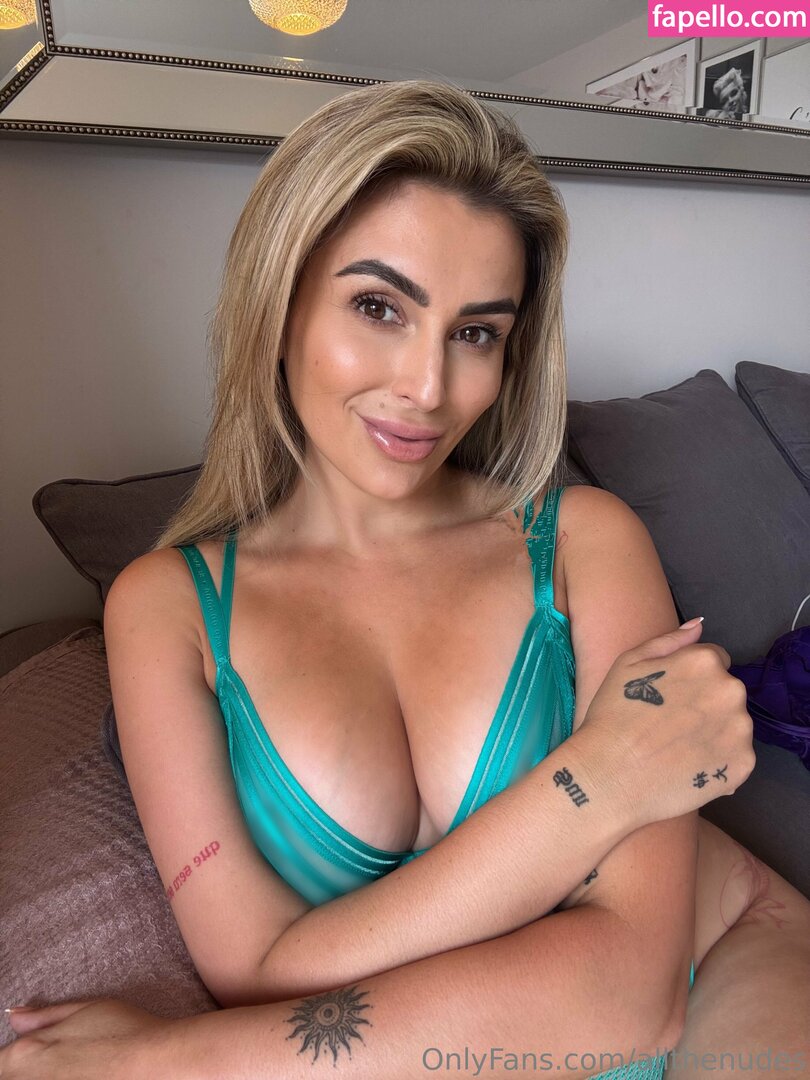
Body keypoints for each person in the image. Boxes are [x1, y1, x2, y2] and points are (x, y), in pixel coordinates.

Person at [4, 78, 809, 1080]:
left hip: (734, 958)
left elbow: (632, 1001)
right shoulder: (166, 608)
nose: (428, 388)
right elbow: (253, 970)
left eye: (476, 333)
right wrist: (601, 782)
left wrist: (163, 1061)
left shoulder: (583, 543)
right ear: (280, 305)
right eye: (379, 307)